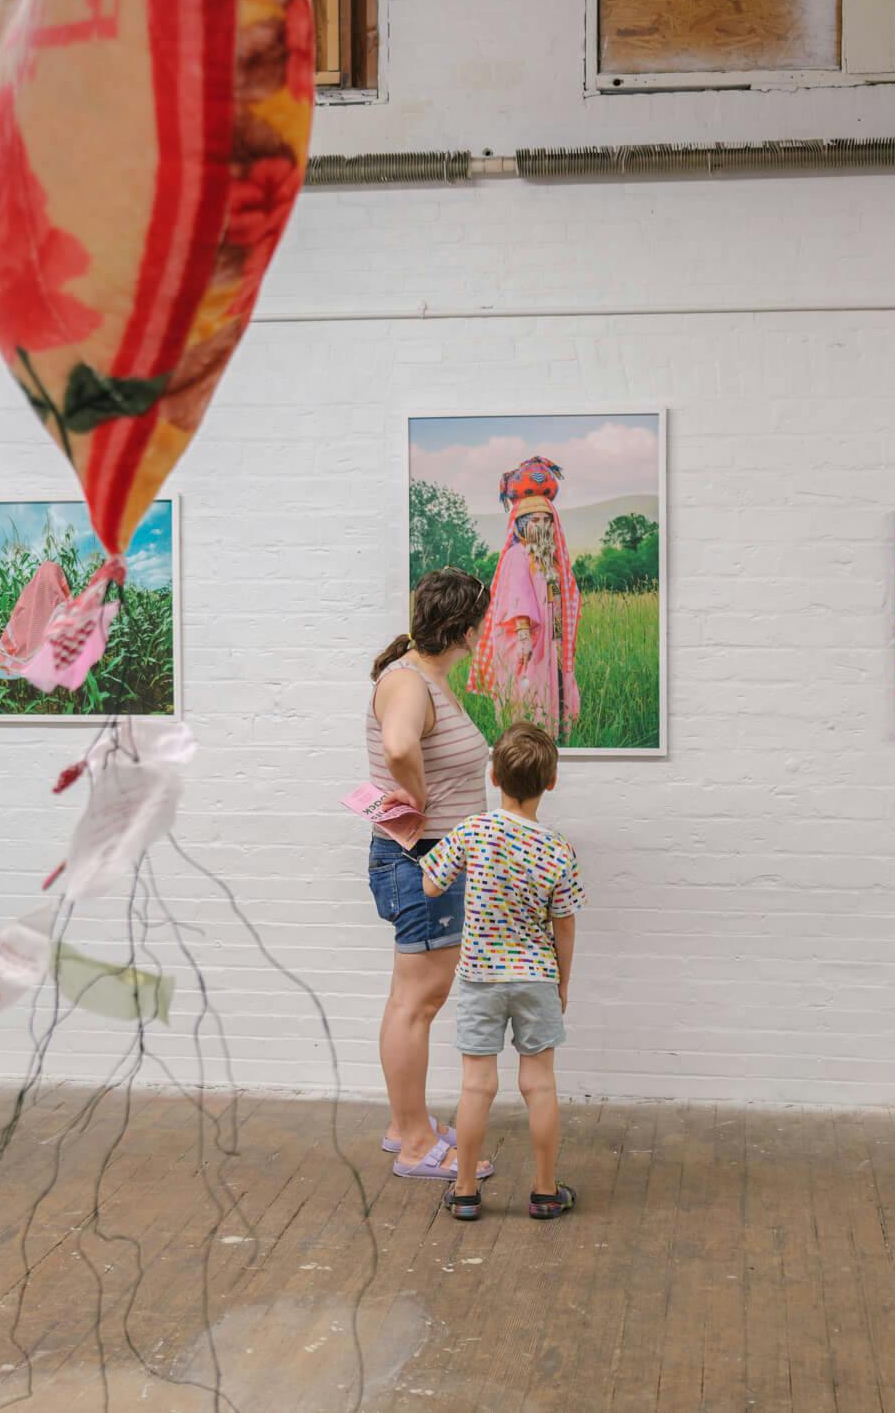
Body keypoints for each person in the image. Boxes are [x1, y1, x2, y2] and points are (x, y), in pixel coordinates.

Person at [419, 722, 583, 1221]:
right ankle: (545, 1190)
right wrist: (562, 983)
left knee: (477, 1087)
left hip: (479, 978)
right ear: (550, 783)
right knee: (540, 1085)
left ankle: (466, 1191)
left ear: (493, 776)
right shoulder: (559, 850)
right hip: (535, 977)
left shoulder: (473, 830)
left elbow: (430, 885)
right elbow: (565, 926)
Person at [367, 567, 497, 1183]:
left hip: (430, 858)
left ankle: (404, 1125)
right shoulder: (409, 683)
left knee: (410, 999)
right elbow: (398, 748)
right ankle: (417, 1143)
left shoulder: (419, 678)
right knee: (418, 1002)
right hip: (423, 859)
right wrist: (416, 797)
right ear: (467, 630)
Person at [468, 457, 581, 744]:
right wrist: (523, 638)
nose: (542, 525)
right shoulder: (517, 556)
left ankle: (549, 738)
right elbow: (519, 599)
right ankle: (524, 741)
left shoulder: (549, 559)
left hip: (547, 639)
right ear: (521, 525)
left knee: (547, 688)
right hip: (525, 639)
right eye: (535, 521)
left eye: (546, 520)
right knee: (526, 691)